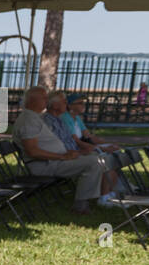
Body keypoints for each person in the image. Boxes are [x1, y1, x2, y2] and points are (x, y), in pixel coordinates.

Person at [13, 86, 113, 214]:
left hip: (54, 161)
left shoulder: (33, 117)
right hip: (46, 165)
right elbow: (33, 151)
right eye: (44, 98)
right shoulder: (28, 120)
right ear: (33, 100)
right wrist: (62, 156)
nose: (46, 100)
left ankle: (105, 195)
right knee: (94, 163)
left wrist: (65, 155)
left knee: (100, 158)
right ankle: (81, 205)